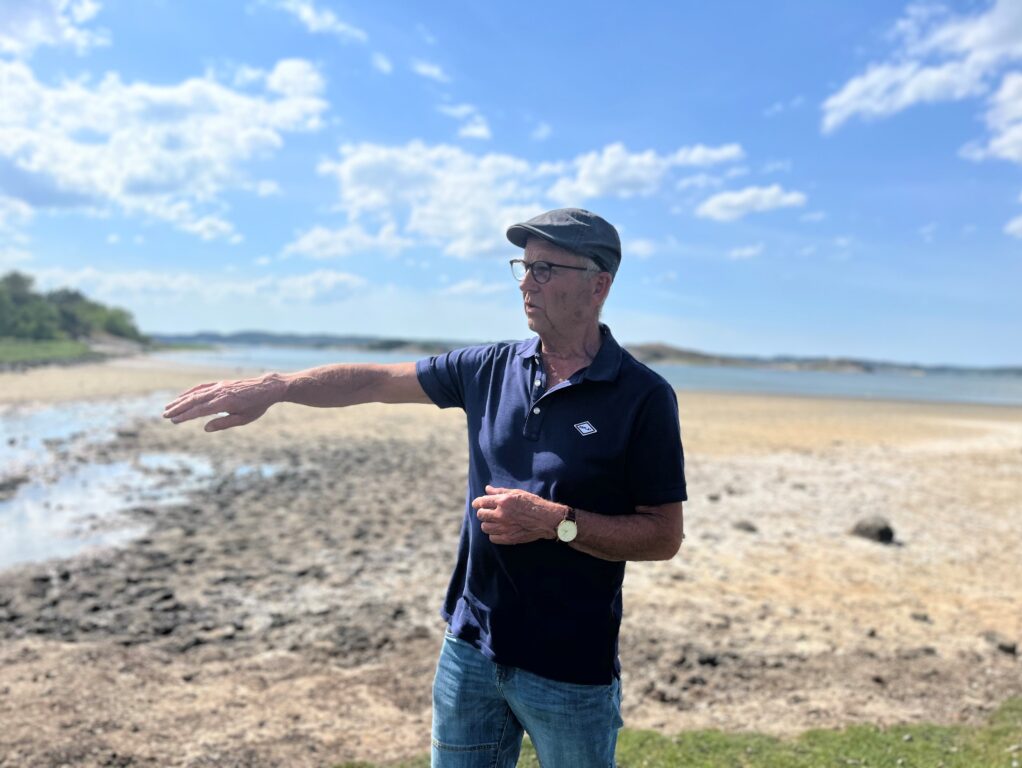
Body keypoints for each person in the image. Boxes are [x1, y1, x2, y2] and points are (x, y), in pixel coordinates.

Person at [163, 207, 687, 767]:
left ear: (598, 284)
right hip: (469, 650)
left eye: (544, 270)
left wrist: (555, 522)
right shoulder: (489, 368)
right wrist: (278, 386)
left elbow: (662, 535)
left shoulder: (643, 396)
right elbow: (376, 381)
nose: (526, 284)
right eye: (524, 268)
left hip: (570, 666)